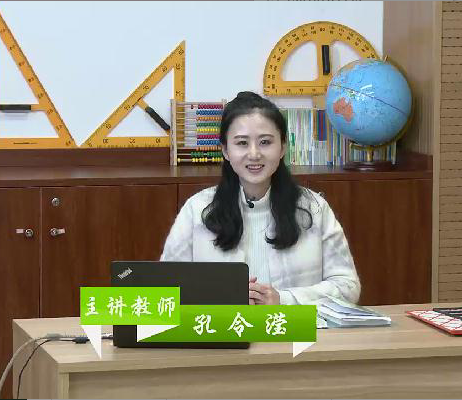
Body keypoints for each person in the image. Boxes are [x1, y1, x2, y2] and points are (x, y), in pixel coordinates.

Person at [161, 91, 360, 305]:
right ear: (225, 151)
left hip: (291, 327)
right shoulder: (197, 209)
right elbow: (165, 288)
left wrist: (284, 300)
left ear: (282, 147)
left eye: (265, 142)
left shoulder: (314, 208)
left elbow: (348, 286)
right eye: (242, 143)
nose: (254, 154)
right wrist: (223, 297)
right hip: (223, 327)